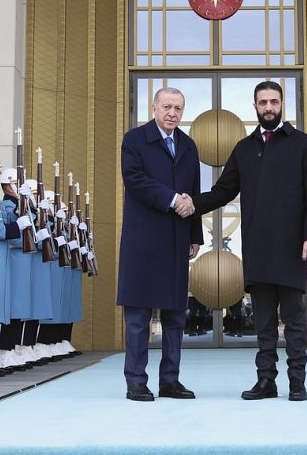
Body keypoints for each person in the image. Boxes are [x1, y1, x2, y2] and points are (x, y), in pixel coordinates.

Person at [189, 80, 307, 402]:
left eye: (274, 102)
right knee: (263, 323)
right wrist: (193, 204)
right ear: (255, 107)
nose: (268, 107)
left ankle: (297, 382)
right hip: (258, 247)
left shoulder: (302, 144)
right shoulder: (244, 149)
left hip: (294, 247)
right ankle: (266, 381)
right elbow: (223, 191)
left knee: (294, 320)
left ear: (282, 105)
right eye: (262, 102)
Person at [116, 87, 203, 402]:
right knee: (138, 315)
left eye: (178, 108)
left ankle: (170, 380)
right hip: (143, 239)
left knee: (175, 316)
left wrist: (196, 235)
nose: (173, 113)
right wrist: (171, 199)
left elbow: (193, 192)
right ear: (153, 107)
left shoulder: (189, 146)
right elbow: (134, 180)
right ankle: (136, 381)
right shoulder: (135, 140)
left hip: (178, 238)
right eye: (167, 106)